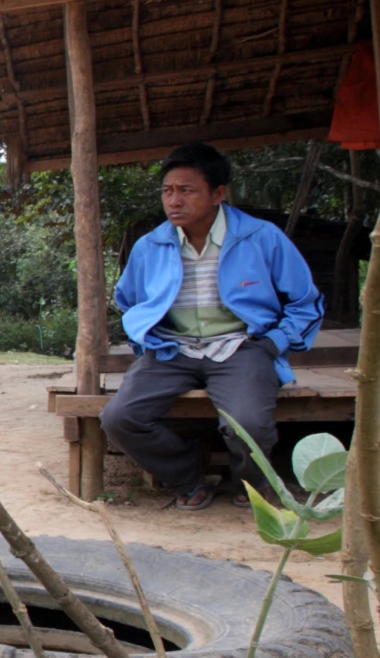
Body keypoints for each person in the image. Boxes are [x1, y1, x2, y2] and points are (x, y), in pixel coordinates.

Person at [101, 142, 324, 510]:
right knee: (119, 419)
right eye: (167, 191)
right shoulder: (150, 245)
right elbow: (128, 299)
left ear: (218, 194)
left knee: (249, 424)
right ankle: (190, 476)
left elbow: (306, 302)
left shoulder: (261, 237)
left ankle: (252, 484)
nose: (174, 201)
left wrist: (272, 344)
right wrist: (147, 338)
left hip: (243, 346)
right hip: (172, 349)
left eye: (186, 191)